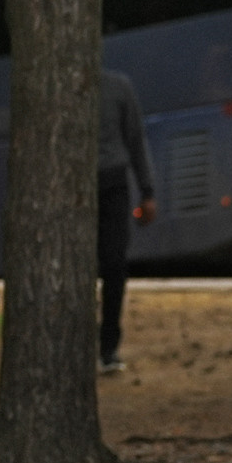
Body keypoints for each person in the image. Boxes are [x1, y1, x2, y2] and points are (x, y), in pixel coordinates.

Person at [98, 67, 157, 372]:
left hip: (112, 184)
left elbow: (135, 138)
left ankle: (109, 346)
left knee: (114, 265)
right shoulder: (66, 88)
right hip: (80, 186)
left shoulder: (119, 87)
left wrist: (147, 190)